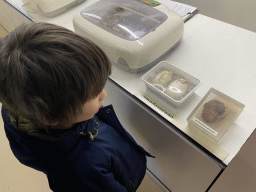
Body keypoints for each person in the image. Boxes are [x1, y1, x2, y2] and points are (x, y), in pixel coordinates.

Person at [0, 22, 153, 192]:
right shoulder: (80, 173)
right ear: (51, 116)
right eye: (93, 95)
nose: (104, 95)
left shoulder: (17, 104)